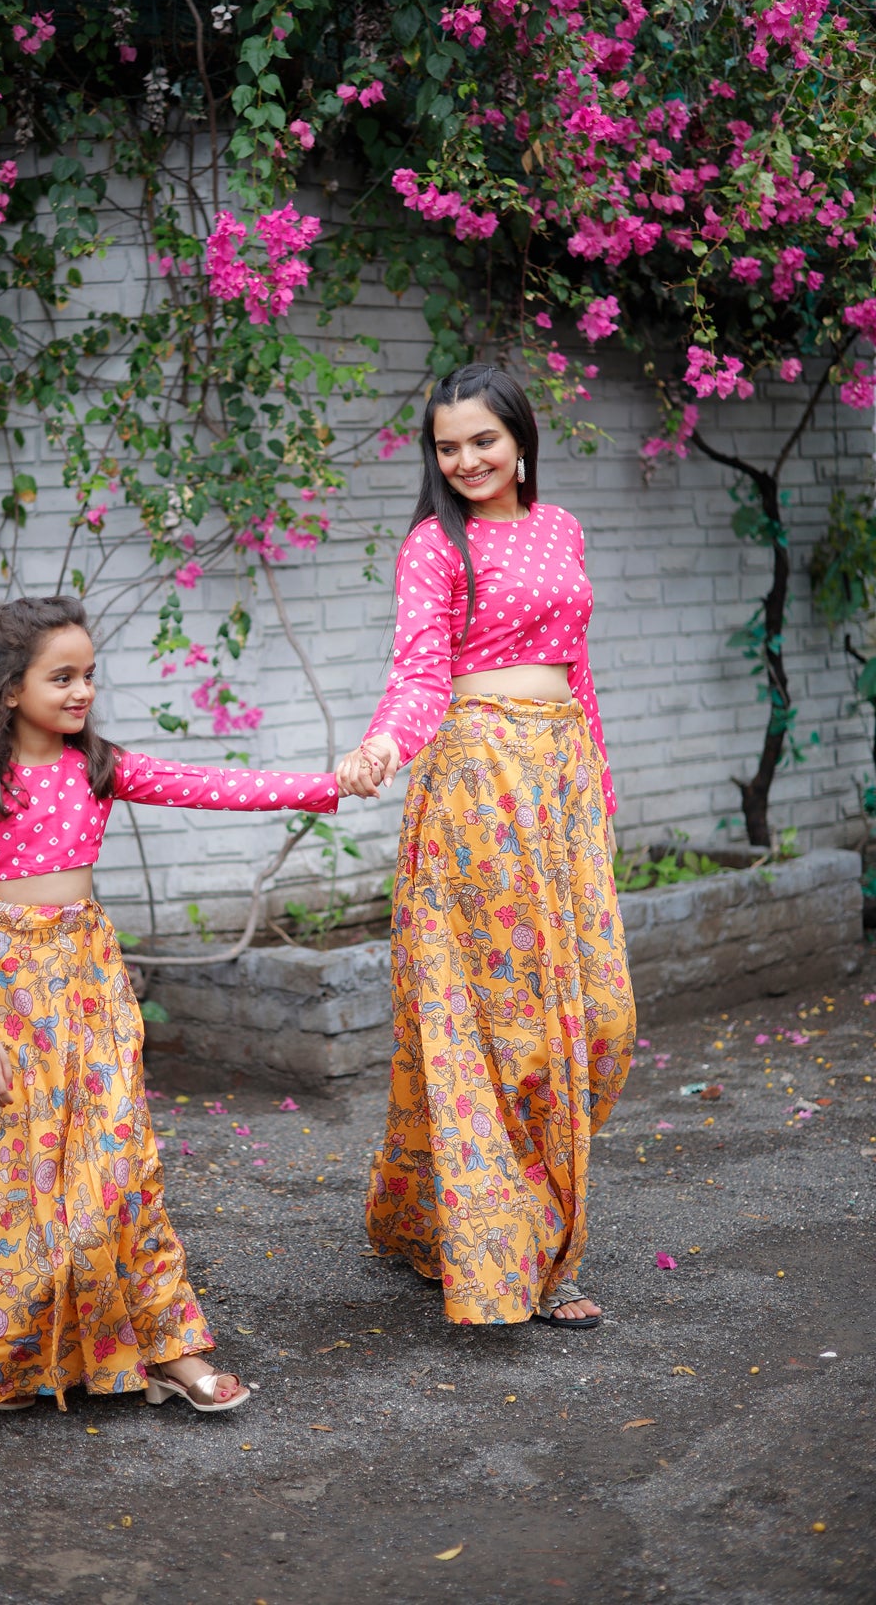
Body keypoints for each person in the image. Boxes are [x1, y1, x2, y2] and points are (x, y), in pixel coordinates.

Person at [0, 595, 339, 1413]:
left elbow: (206, 784)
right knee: (7, 1182)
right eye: (61, 677)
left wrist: (324, 784)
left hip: (88, 988)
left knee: (119, 1173)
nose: (82, 691)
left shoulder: (97, 767)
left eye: (89, 675)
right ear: (6, 690)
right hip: (5, 999)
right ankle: (11, 1354)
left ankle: (169, 1346)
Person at [336, 364, 634, 1330]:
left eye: (482, 441)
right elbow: (419, 669)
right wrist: (386, 742)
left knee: (602, 1018)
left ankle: (438, 1211)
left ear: (519, 438)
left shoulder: (562, 528)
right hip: (478, 788)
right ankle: (526, 1251)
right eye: (446, 445)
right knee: (511, 1026)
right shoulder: (434, 545)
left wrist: (599, 792)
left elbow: (579, 666)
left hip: (562, 790)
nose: (464, 459)